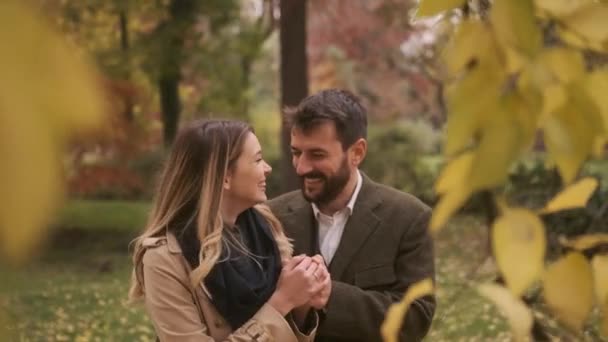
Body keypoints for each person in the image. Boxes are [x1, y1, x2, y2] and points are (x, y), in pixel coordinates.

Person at [129, 119, 331, 341]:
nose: (267, 168)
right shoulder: (165, 259)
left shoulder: (265, 229)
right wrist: (282, 301)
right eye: (257, 160)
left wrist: (302, 298)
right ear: (224, 177)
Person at [268, 89, 436, 342]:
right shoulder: (269, 217)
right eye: (296, 152)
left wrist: (329, 296)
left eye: (317, 154)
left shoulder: (409, 218)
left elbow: (415, 320)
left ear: (357, 152)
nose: (301, 167)